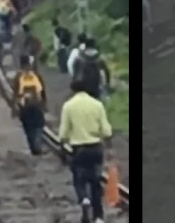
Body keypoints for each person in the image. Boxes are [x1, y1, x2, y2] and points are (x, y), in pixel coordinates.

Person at [58, 79, 113, 223]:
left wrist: (63, 146)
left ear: (73, 90)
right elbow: (106, 131)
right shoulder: (97, 104)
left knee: (79, 179)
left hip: (79, 150)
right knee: (95, 181)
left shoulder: (68, 106)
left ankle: (84, 199)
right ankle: (98, 216)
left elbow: (63, 133)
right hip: (95, 148)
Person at [11, 54, 47, 156]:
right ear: (30, 63)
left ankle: (33, 147)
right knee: (39, 125)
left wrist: (14, 108)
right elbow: (43, 91)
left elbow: (15, 93)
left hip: (24, 107)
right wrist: (44, 105)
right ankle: (37, 144)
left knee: (28, 128)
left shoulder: (18, 77)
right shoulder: (36, 75)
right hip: (37, 105)